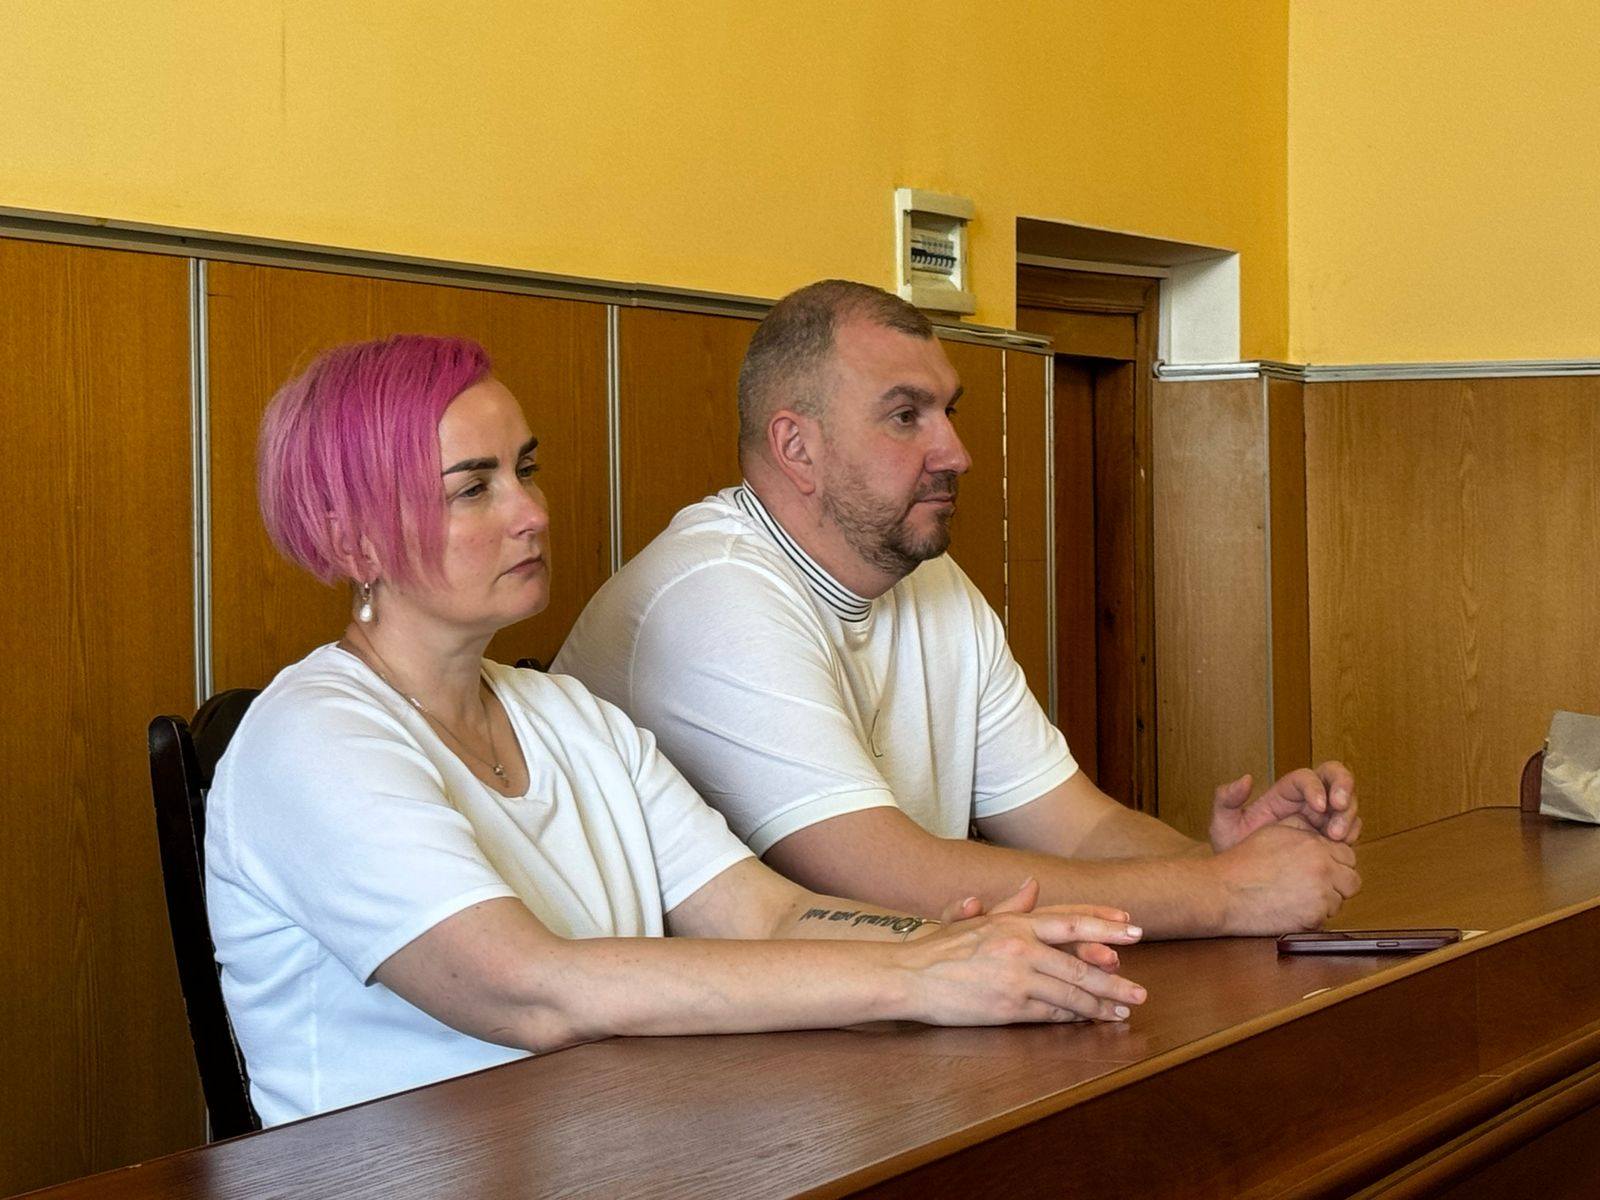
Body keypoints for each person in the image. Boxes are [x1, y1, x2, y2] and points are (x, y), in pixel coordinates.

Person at [204, 334, 1147, 1127]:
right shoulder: (310, 738)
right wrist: (921, 978)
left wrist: (971, 944)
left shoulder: (566, 715)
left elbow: (767, 916)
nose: (531, 513)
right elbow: (533, 990)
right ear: (353, 538)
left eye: (524, 470)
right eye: (473, 488)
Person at [553, 280, 1362, 939]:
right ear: (797, 447)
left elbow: (1074, 825)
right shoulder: (712, 594)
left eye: (949, 411)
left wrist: (1213, 861)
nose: (956, 453)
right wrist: (1225, 893)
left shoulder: (928, 578)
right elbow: (886, 877)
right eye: (906, 416)